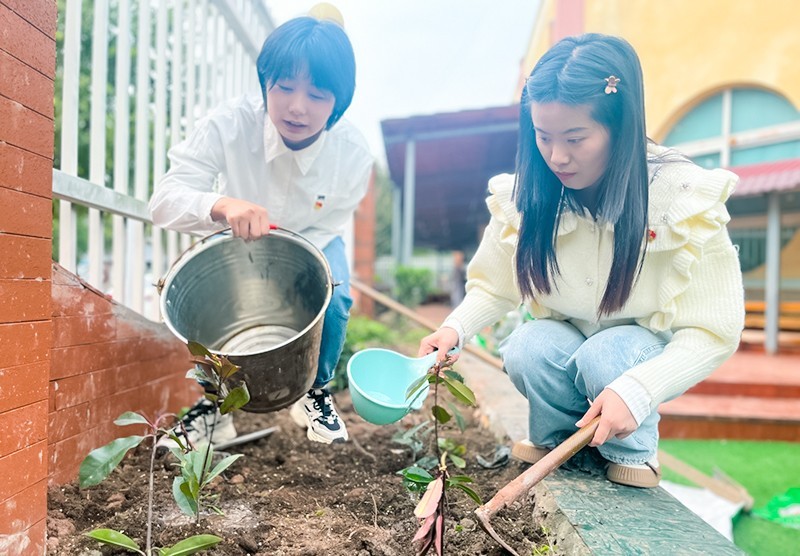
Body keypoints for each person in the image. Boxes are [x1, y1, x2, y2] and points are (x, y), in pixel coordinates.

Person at [418, 33, 744, 488]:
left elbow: (714, 331)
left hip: (632, 354)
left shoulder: (681, 197)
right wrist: (454, 329)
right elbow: (494, 285)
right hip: (568, 348)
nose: (556, 156)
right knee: (530, 345)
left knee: (607, 353)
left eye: (576, 138)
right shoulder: (528, 194)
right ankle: (558, 444)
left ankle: (633, 454)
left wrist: (638, 389)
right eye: (543, 136)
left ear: (621, 127)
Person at [149, 12, 374, 446]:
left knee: (339, 294)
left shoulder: (352, 155)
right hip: (239, 243)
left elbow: (330, 224)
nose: (296, 107)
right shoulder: (229, 124)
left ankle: (313, 390)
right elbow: (164, 201)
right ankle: (215, 411)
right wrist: (220, 204)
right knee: (205, 299)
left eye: (316, 94)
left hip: (313, 238)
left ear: (339, 102)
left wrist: (295, 260)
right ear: (264, 82)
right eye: (284, 87)